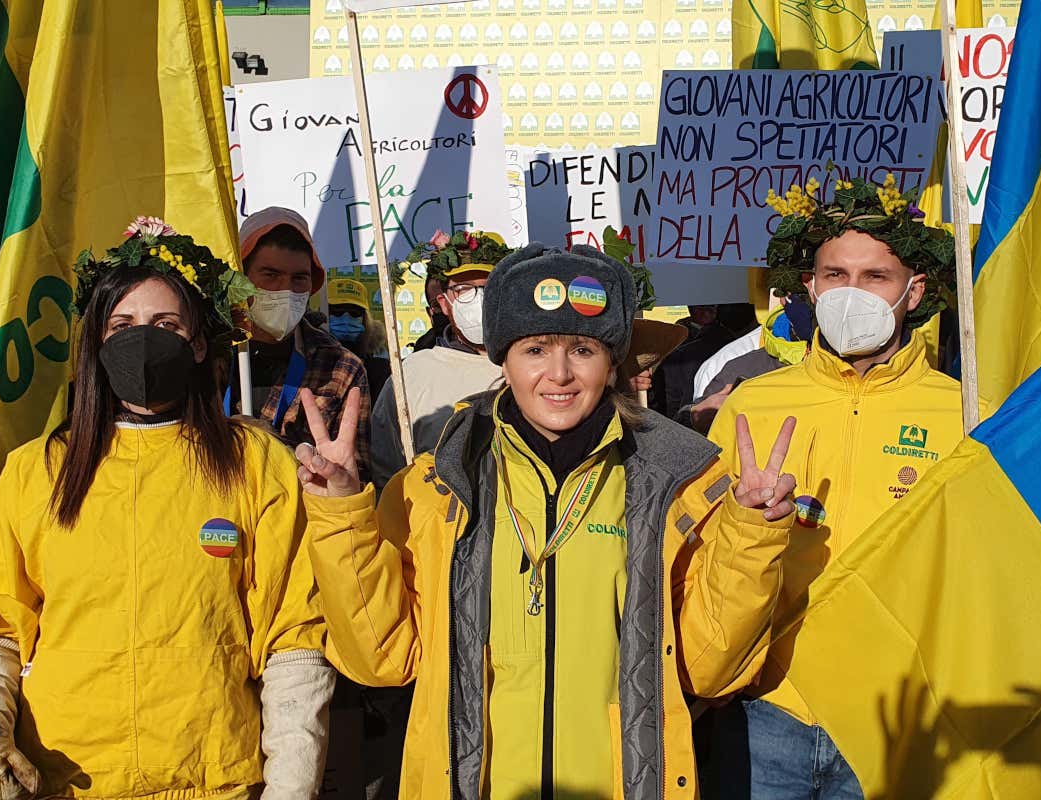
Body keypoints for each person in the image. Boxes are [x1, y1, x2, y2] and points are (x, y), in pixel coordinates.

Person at [297, 243, 802, 800]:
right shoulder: (432, 488)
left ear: (612, 361)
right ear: (504, 358)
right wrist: (342, 514)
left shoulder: (677, 487)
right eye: (535, 348)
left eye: (583, 349)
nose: (558, 374)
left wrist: (751, 535)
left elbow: (708, 669)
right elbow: (382, 657)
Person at [0, 218, 335, 799]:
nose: (141, 341)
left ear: (198, 342)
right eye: (122, 325)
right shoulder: (37, 470)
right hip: (65, 778)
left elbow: (293, 637)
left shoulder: (254, 463)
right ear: (96, 340)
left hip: (213, 776)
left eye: (165, 324)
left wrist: (291, 785)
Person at [703, 175, 977, 800]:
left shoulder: (965, 412)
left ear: (916, 291)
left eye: (875, 277)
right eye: (835, 275)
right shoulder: (754, 402)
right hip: (769, 708)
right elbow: (699, 551)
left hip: (900, 712)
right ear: (809, 286)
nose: (851, 294)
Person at [233, 206, 372, 477]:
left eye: (299, 278)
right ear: (241, 278)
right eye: (270, 275)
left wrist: (286, 456)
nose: (285, 289)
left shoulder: (342, 367)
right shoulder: (205, 353)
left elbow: (359, 475)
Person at [369, 230, 510, 487]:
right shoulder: (413, 373)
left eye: (489, 287)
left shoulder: (537, 365)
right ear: (444, 304)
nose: (479, 300)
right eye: (465, 289)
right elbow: (386, 469)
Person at [678, 305, 811, 434]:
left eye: (711, 307)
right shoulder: (730, 363)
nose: (706, 313)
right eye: (702, 308)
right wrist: (694, 419)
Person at [327, 277, 392, 405]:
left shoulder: (379, 369)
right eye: (337, 311)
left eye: (354, 313)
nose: (346, 317)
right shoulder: (310, 361)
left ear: (364, 319)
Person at [411, 273, 449, 353]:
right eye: (437, 305)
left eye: (448, 301)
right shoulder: (420, 355)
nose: (445, 309)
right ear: (430, 313)